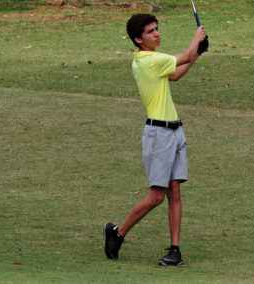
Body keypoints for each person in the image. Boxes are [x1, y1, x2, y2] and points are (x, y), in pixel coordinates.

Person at [104, 13, 207, 266]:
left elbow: (175, 74)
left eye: (157, 29)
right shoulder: (147, 60)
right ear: (138, 39)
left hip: (175, 130)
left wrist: (198, 52)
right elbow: (184, 57)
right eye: (150, 31)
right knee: (156, 197)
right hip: (158, 134)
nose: (157, 33)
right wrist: (196, 41)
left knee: (175, 191)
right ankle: (118, 232)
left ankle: (175, 250)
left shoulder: (156, 61)